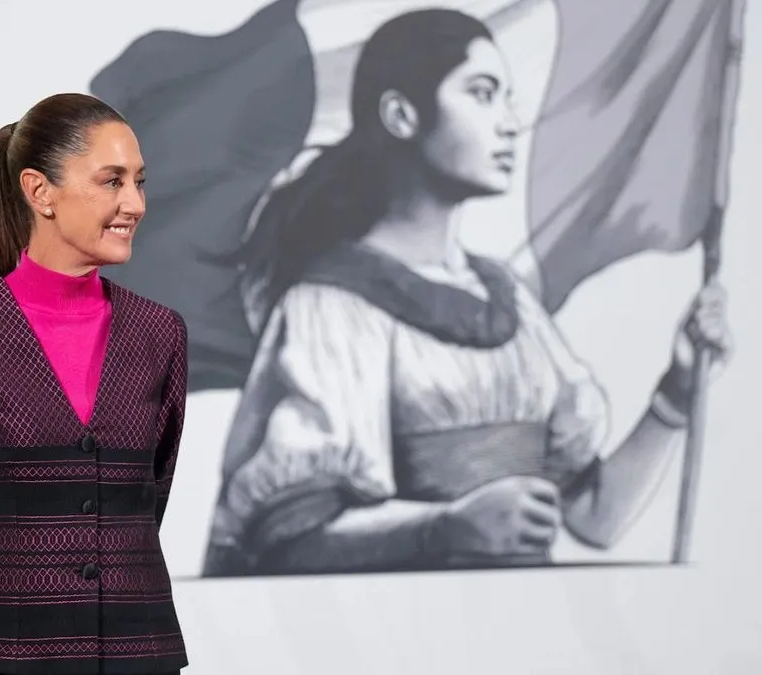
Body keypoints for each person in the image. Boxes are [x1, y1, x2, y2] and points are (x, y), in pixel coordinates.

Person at [202, 9, 732, 576]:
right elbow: (289, 541)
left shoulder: (509, 300)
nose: (510, 122)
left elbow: (593, 517)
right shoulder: (331, 307)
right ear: (402, 115)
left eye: (508, 96)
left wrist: (675, 395)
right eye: (482, 94)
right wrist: (446, 526)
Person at [0, 93, 189, 674]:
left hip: (140, 653)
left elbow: (147, 494)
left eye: (139, 182)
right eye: (111, 181)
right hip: (1, 659)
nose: (135, 203)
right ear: (39, 191)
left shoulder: (161, 333)